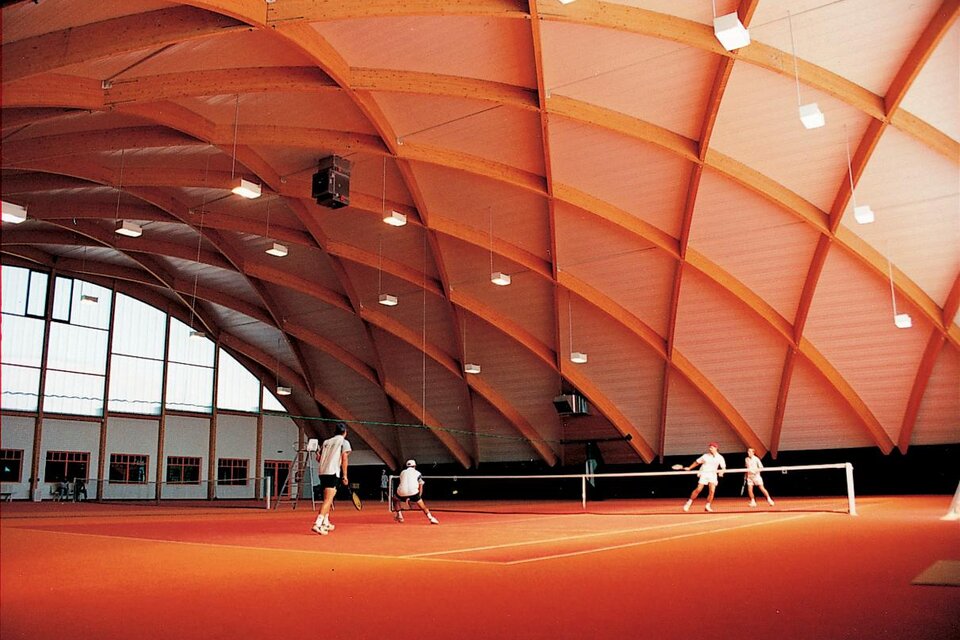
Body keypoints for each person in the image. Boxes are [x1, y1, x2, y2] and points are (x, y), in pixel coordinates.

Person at [311, 422, 351, 535]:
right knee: (328, 500)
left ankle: (326, 522)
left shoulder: (326, 442)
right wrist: (345, 475)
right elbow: (344, 459)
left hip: (322, 472)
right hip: (332, 472)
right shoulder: (344, 442)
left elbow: (318, 458)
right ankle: (317, 524)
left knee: (328, 499)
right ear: (345, 432)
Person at [682, 442, 726, 512]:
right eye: (709, 447)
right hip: (704, 473)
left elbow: (723, 467)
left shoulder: (720, 457)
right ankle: (688, 503)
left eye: (712, 447)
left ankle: (707, 506)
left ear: (716, 448)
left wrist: (722, 472)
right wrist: (689, 468)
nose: (710, 449)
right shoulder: (705, 456)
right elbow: (697, 462)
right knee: (698, 489)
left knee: (712, 491)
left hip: (713, 475)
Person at [393, 460, 439, 524]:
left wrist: (406, 497)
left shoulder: (402, 472)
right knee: (423, 507)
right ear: (414, 466)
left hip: (401, 491)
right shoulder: (418, 473)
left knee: (395, 499)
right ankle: (431, 518)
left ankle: (400, 516)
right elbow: (421, 484)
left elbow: (403, 483)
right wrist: (419, 497)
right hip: (414, 492)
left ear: (407, 466)